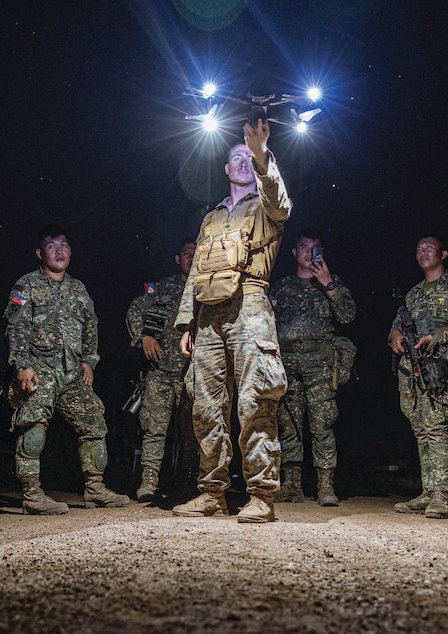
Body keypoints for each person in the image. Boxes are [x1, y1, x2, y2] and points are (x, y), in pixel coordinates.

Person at [172, 119, 291, 523]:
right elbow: (196, 273)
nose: (242, 162)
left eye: (248, 158)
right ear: (225, 169)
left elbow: (280, 201)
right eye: (237, 157)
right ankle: (212, 494)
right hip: (208, 316)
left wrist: (261, 153)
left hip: (250, 306)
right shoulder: (211, 218)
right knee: (205, 406)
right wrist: (187, 321)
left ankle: (261, 495)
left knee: (255, 401)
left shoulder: (266, 208)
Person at [4, 224, 131, 514]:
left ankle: (95, 489)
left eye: (64, 245)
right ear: (39, 253)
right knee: (34, 425)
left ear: (70, 251)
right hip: (39, 367)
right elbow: (16, 326)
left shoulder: (78, 289)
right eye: (51, 246)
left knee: (94, 422)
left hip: (72, 372)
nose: (59, 250)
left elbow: (91, 326)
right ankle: (32, 494)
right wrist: (22, 365)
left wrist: (90, 361)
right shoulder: (26, 285)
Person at [389, 235, 448, 519]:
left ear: (443, 254)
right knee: (419, 426)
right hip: (411, 368)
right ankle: (428, 491)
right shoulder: (413, 293)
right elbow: (397, 323)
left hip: (439, 367)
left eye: (429, 247)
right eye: (418, 248)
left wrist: (438, 336)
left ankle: (441, 495)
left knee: (436, 426)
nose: (423, 251)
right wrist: (394, 336)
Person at [272, 229, 357, 506]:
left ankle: (325, 487)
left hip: (320, 365)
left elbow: (347, 316)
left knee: (323, 424)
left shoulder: (332, 283)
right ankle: (292, 486)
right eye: (304, 247)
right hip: (287, 364)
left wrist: (328, 283)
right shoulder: (282, 287)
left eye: (315, 248)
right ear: (295, 253)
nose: (310, 252)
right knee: (289, 425)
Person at [125, 238, 197, 502]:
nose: (190, 257)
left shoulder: (208, 289)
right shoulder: (161, 287)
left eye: (195, 253)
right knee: (154, 428)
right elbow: (135, 310)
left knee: (192, 431)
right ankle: (149, 481)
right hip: (160, 370)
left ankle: (191, 483)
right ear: (178, 258)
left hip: (194, 372)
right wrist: (143, 337)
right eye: (186, 253)